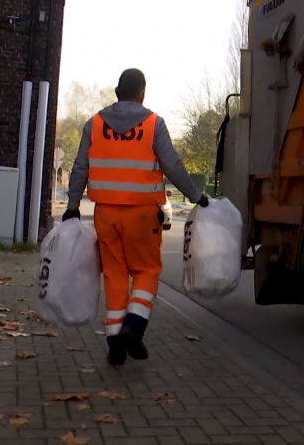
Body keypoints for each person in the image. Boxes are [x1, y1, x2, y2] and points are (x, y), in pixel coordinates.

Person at [62, 68, 208, 365]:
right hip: (142, 215)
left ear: (117, 92)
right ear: (142, 92)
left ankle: (115, 343)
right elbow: (172, 165)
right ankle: (134, 326)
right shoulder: (154, 124)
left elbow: (80, 167)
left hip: (105, 215)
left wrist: (73, 205)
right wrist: (196, 196)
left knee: (114, 275)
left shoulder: (95, 123)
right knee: (146, 271)